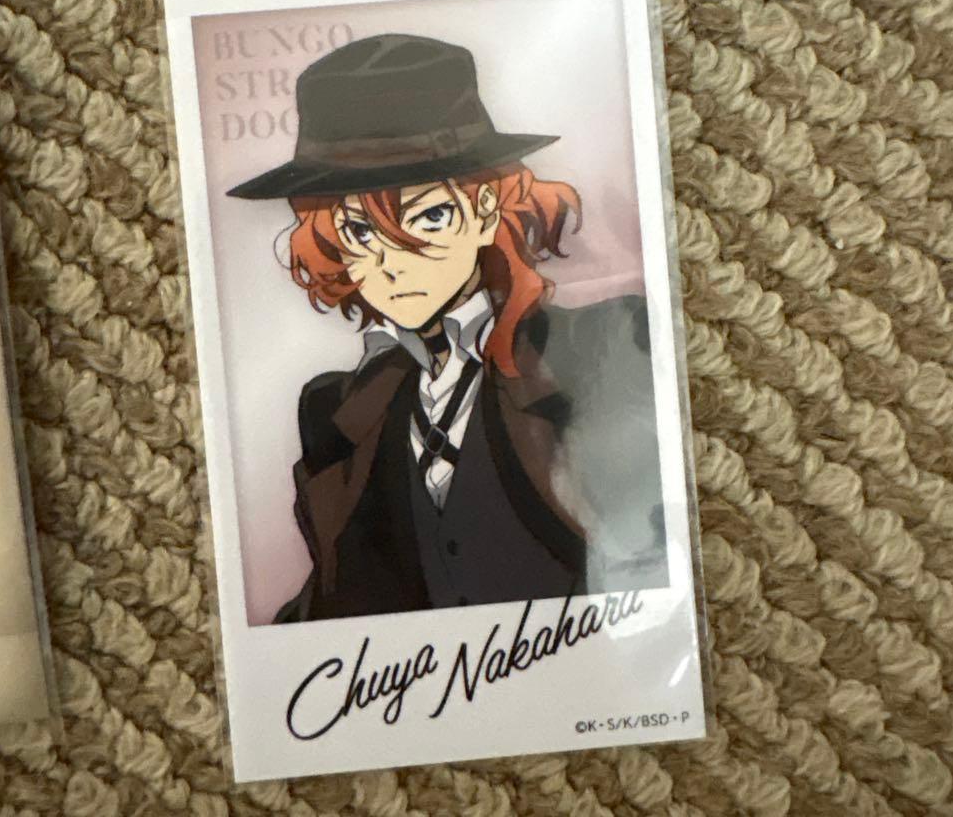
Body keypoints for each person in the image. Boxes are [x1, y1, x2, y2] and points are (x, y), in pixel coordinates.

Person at [228, 33, 669, 622]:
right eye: (358, 233)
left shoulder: (603, 345)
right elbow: (328, 608)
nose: (390, 261)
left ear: (485, 209)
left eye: (429, 217)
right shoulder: (333, 411)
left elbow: (654, 561)